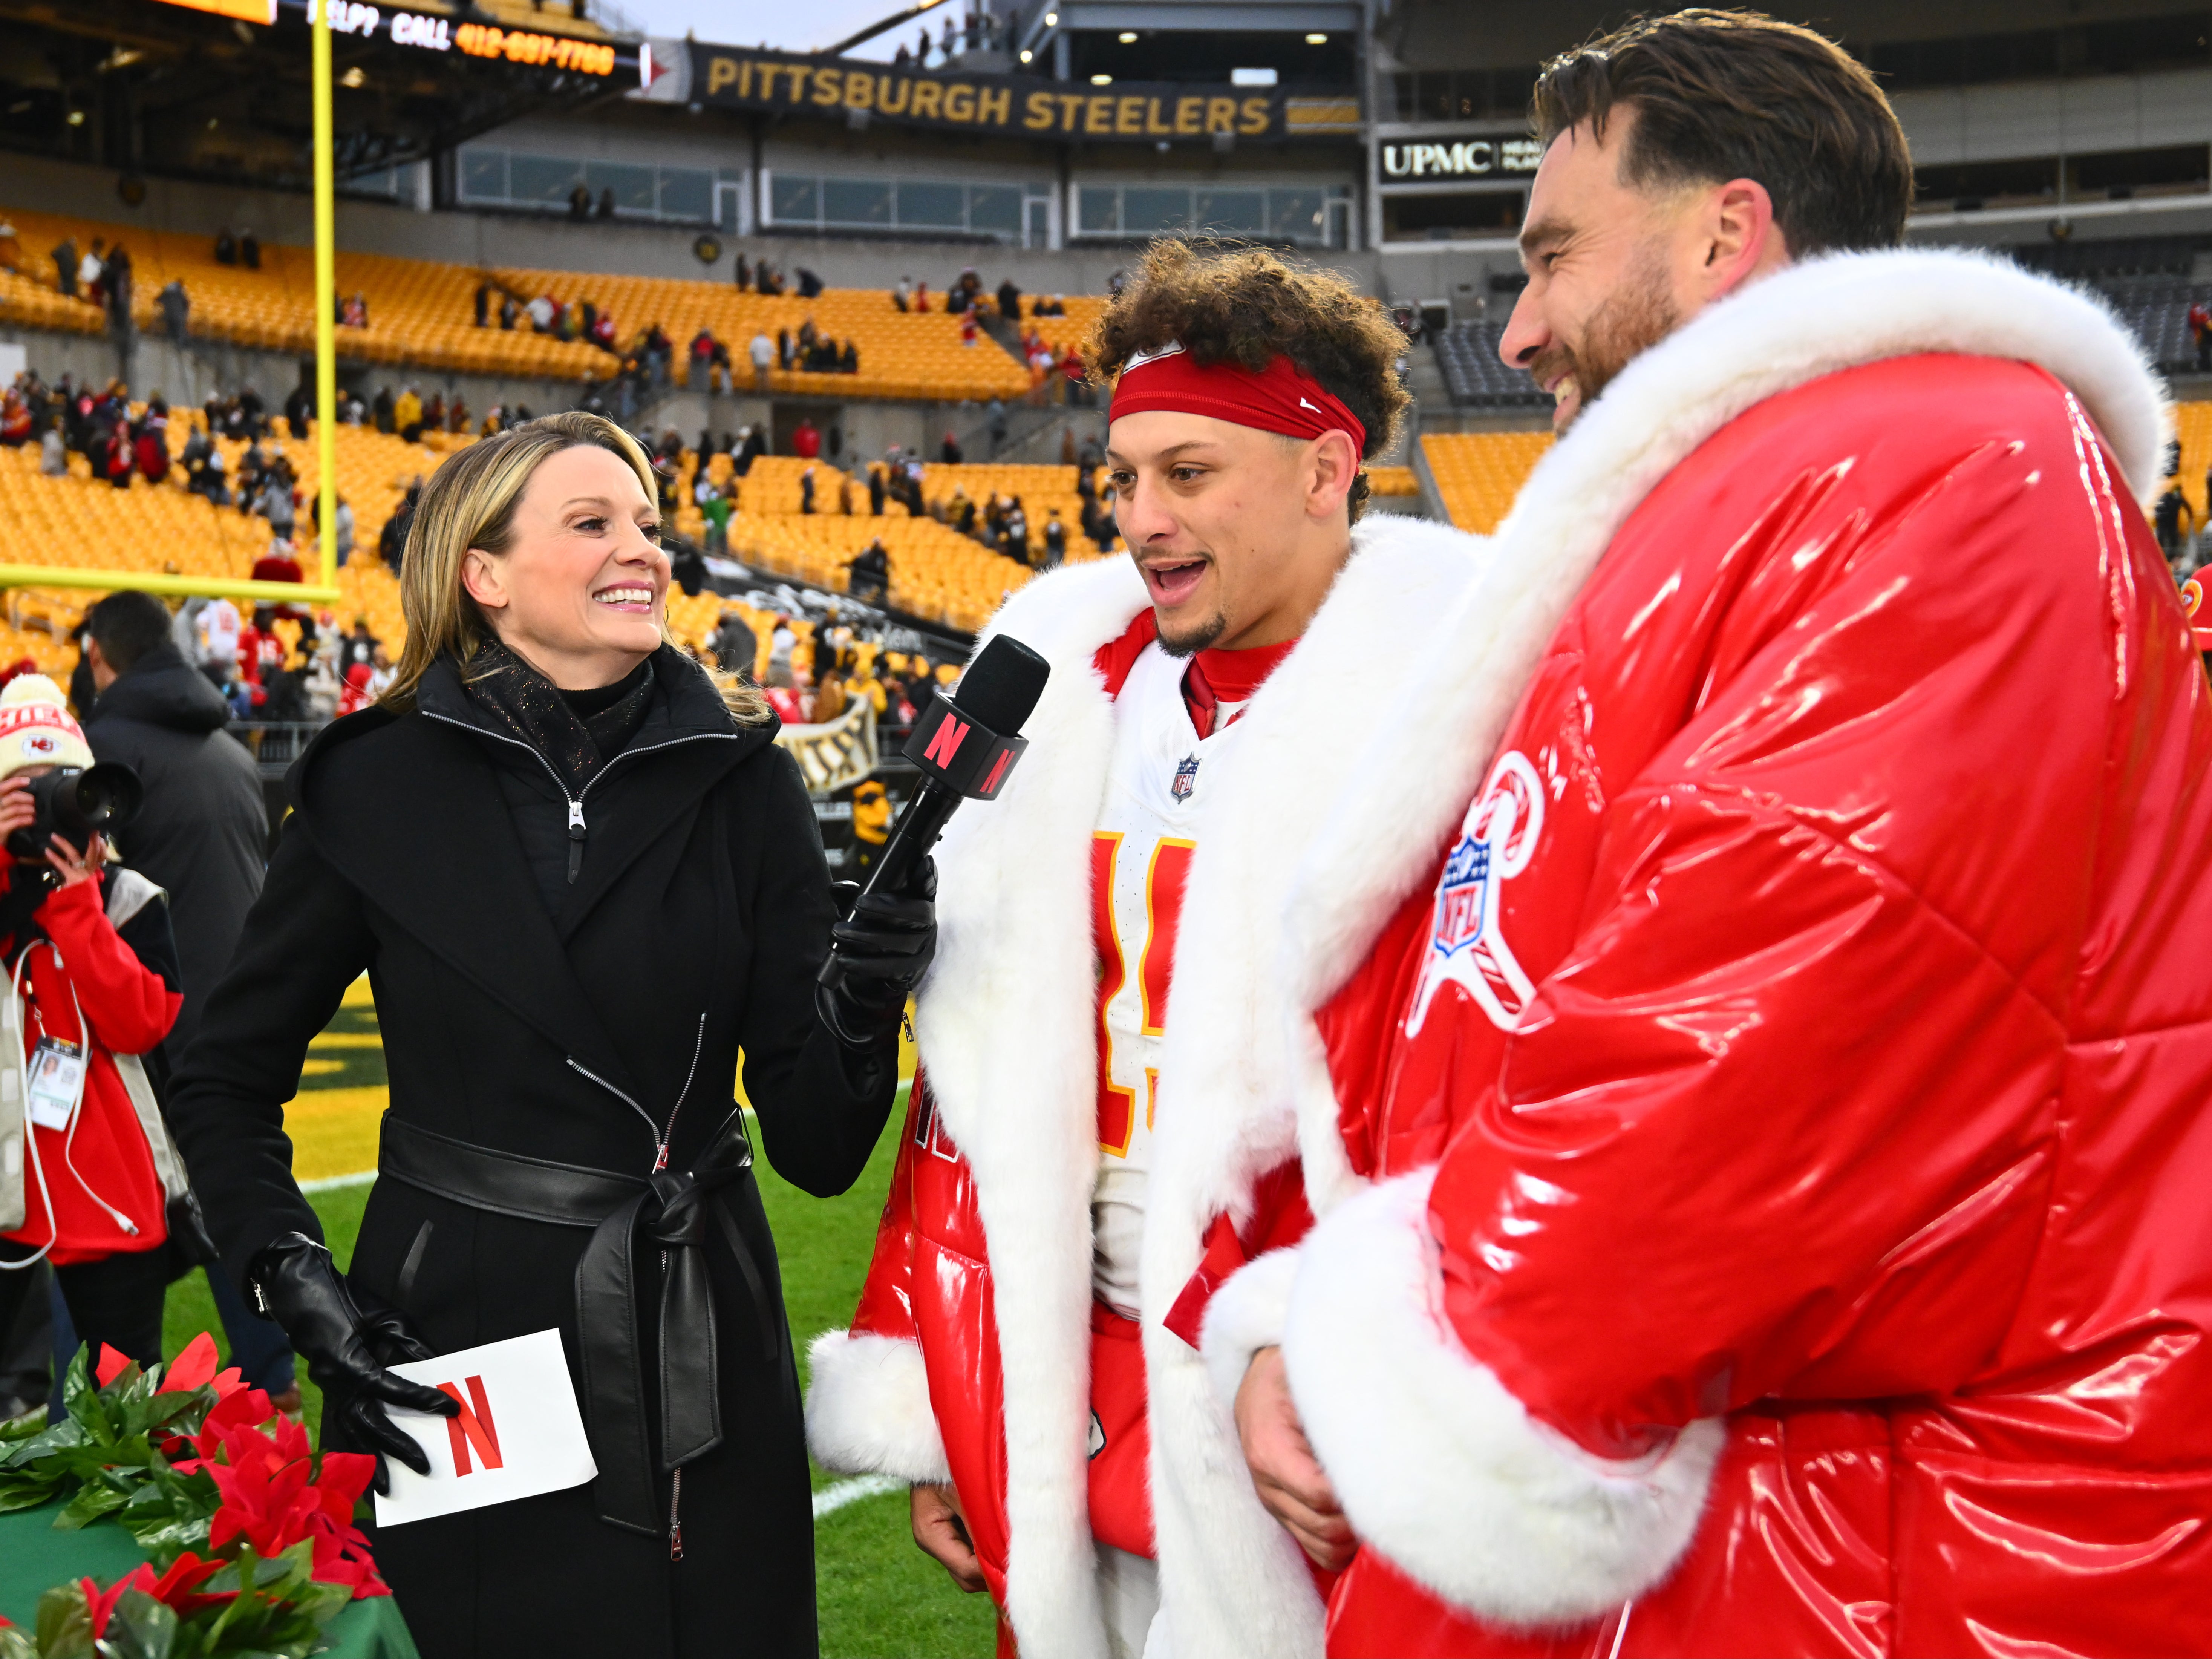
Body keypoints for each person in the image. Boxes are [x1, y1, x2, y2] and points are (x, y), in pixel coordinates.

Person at [1189, 14, 2212, 1657]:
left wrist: (1392, 1358)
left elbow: (1747, 1042)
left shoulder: (1948, 466)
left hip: (1886, 1550)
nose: (1513, 330)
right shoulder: (1745, 508)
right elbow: (1485, 992)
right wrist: (1293, 1304)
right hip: (1737, 1514)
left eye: (1550, 257)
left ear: (1725, 234)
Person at [166, 412, 934, 1657]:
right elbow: (225, 1078)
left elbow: (816, 1145)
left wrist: (862, 1003)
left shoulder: (749, 785)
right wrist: (290, 1273)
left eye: (646, 523)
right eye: (592, 524)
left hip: (702, 1336)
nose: (641, 548)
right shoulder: (371, 786)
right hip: (455, 1344)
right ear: (485, 575)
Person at [804, 241, 1476, 1657]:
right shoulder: (1068, 697)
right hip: (1068, 1368)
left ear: (1323, 466)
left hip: (1310, 1380)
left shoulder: (1465, 712)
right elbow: (967, 1092)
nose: (1141, 519)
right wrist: (933, 1400)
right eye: (1122, 478)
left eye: (1187, 473)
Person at [80, 592, 297, 1409]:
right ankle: (273, 1382)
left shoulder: (104, 754)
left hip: (153, 1030)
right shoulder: (231, 752)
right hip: (241, 1013)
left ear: (102, 657)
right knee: (240, 1199)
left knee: (120, 1221)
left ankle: (108, 1410)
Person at [0, 674, 187, 1373]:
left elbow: (141, 1024)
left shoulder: (127, 898)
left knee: (130, 1412)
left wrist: (77, 908)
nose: (52, 804)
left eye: (66, 785)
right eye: (29, 785)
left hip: (106, 1190)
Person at [846, 538, 889, 604]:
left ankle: (880, 599)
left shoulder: (882, 555)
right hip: (860, 579)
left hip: (868, 581)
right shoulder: (866, 555)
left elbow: (882, 570)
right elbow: (854, 563)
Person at [749, 328, 774, 392]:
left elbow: (752, 352)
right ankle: (766, 391)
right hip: (766, 361)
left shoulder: (755, 341)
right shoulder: (768, 341)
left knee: (759, 376)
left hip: (757, 361)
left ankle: (759, 390)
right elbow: (772, 352)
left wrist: (752, 361)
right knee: (766, 376)